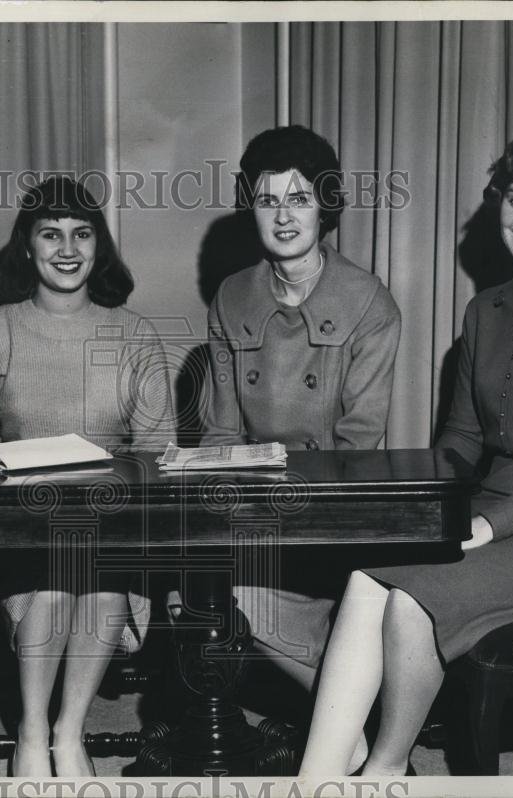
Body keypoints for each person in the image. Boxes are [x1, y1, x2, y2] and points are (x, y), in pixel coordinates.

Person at [297, 125, 513, 779]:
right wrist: (412, 502)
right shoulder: (484, 311)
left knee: (411, 600)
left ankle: (386, 770)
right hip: (489, 507)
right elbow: (460, 441)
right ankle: (317, 776)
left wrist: (487, 524)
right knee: (367, 578)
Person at [0, 176, 176, 777]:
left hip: (115, 527)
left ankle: (67, 732)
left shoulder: (135, 336)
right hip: (22, 532)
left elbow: (159, 457)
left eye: (82, 234)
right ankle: (30, 731)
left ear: (99, 247)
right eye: (50, 234)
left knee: (98, 581)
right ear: (26, 246)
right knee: (55, 583)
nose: (67, 249)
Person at [190, 125, 401, 752]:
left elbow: (359, 443)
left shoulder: (368, 302)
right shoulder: (232, 296)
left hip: (334, 509)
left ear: (325, 206)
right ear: (249, 206)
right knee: (194, 580)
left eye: (300, 198)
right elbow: (221, 432)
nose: (283, 215)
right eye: (267, 198)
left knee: (235, 591)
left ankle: (341, 721)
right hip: (250, 502)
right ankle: (342, 721)